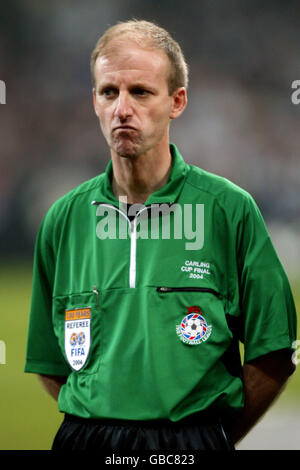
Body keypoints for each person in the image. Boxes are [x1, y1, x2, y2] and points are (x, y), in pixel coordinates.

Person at [24, 19, 297, 451]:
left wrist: (214, 437)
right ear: (94, 101)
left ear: (177, 101)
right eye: (109, 92)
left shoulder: (228, 210)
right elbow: (48, 360)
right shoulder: (64, 218)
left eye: (141, 92)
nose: (122, 108)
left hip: (191, 443)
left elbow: (275, 354)